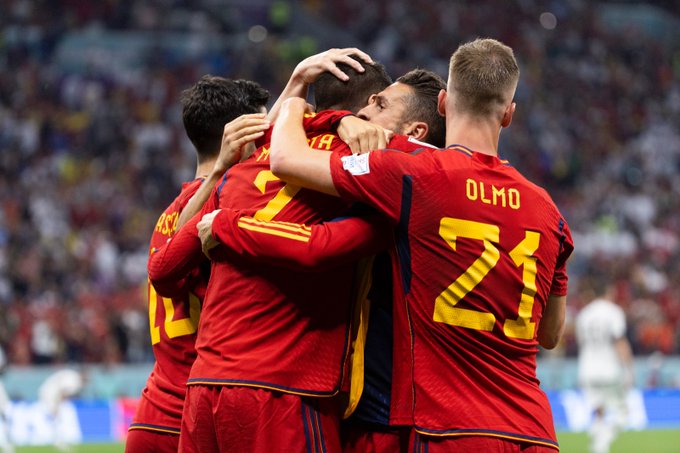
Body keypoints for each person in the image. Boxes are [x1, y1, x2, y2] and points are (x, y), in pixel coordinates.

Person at [262, 38, 574, 451]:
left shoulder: (414, 174)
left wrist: (301, 103)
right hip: (532, 431)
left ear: (443, 103)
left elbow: (284, 160)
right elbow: (549, 333)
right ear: (509, 114)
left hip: (450, 427)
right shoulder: (548, 210)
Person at [148, 59, 446, 452]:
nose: (372, 112)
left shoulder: (252, 157)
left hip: (205, 390)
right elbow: (321, 246)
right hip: (284, 389)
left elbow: (162, 269)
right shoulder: (366, 166)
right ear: (363, 108)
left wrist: (300, 106)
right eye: (376, 101)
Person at [125, 75, 271, 453]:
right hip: (198, 418)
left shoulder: (170, 214)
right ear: (240, 138)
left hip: (152, 414)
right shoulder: (228, 211)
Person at [575, 288, 634, 453]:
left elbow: (581, 342)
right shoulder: (613, 312)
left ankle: (598, 440)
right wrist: (629, 369)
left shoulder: (584, 314)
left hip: (587, 368)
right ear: (609, 292)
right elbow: (619, 341)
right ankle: (605, 437)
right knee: (623, 413)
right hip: (610, 369)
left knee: (598, 409)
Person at [37, 368, 85, 452]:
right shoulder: (75, 382)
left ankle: (58, 440)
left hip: (47, 392)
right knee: (56, 418)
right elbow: (62, 392)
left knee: (57, 418)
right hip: (50, 395)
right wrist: (57, 405)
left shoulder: (72, 374)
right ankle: (57, 441)